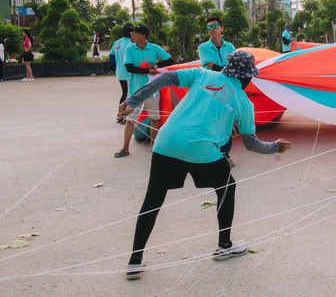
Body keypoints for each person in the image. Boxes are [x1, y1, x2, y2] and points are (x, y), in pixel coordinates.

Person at [118, 50, 291, 280]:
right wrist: (274, 147)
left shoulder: (204, 75)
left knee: (153, 200)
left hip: (166, 142)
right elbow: (251, 144)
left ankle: (134, 262)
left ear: (227, 68)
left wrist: (132, 101)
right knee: (227, 187)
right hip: (200, 149)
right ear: (248, 77)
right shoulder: (244, 102)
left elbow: (166, 77)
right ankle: (224, 245)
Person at [115, 24, 174, 158]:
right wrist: (148, 70)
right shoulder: (129, 48)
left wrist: (156, 66)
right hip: (135, 91)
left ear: (143, 35)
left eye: (135, 33)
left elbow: (170, 60)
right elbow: (129, 68)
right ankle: (125, 148)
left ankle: (154, 146)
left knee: (154, 118)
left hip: (152, 90)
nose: (132, 35)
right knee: (130, 119)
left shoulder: (154, 48)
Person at [198, 17, 236, 165]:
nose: (211, 29)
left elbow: (234, 64)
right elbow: (211, 65)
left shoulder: (230, 47)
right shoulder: (203, 48)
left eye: (214, 26)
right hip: (210, 89)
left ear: (222, 28)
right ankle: (211, 154)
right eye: (208, 27)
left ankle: (225, 154)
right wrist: (229, 71)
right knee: (210, 121)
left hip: (227, 90)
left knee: (227, 120)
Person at [112, 23, 135, 124]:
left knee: (124, 93)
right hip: (127, 74)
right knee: (127, 94)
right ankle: (123, 116)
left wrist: (118, 65)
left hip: (120, 72)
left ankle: (120, 115)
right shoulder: (130, 44)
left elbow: (111, 56)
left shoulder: (117, 43)